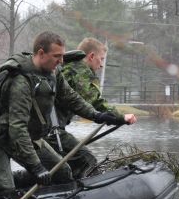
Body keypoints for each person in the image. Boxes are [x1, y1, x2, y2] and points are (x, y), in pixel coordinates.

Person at [0, 31, 124, 198]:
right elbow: (17, 128)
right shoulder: (21, 81)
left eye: (62, 55)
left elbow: (71, 98)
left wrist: (97, 115)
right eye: (56, 56)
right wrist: (36, 166)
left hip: (28, 135)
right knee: (4, 191)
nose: (61, 61)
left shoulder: (53, 72)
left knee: (62, 173)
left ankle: (18, 183)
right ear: (41, 54)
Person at [52, 37, 137, 178]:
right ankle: (82, 197)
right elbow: (94, 101)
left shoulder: (68, 67)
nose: (102, 64)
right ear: (91, 56)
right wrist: (122, 117)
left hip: (50, 128)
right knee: (87, 160)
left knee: (59, 166)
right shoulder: (79, 71)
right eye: (101, 59)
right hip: (50, 130)